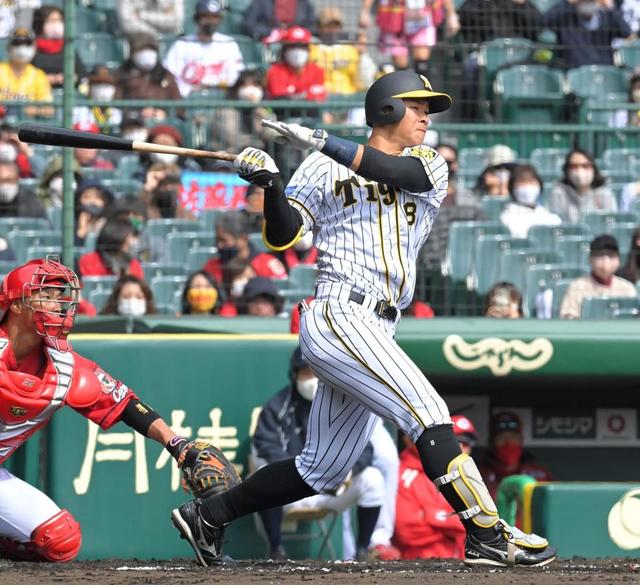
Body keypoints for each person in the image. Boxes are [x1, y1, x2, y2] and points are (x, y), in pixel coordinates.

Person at [171, 69, 557, 568]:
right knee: (427, 413)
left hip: (380, 322)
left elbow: (391, 173)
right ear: (388, 109)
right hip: (339, 312)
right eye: (416, 106)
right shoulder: (318, 167)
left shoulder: (428, 164)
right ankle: (485, 533)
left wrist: (324, 140)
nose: (425, 116)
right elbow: (283, 235)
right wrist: (270, 184)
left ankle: (211, 515)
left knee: (321, 469)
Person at [0, 256, 221, 562]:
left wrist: (177, 445)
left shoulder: (65, 366)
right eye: (44, 296)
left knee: (61, 540)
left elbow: (125, 403)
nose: (55, 305)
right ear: (16, 304)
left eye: (58, 298)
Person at [251, 347, 384, 560]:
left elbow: (365, 448)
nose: (311, 378)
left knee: (373, 478)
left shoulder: (342, 404)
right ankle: (276, 550)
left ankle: (362, 551)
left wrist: (348, 471)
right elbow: (266, 445)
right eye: (305, 372)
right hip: (291, 491)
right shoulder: (278, 405)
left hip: (332, 489)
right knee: (265, 473)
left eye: (317, 372)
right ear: (295, 374)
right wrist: (298, 474)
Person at [393, 415, 477, 560]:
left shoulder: (468, 479)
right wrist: (453, 527)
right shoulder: (404, 474)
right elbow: (406, 531)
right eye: (457, 442)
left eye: (467, 443)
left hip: (459, 564)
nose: (462, 448)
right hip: (418, 566)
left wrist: (430, 516)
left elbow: (477, 524)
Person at [163, 0, 245, 97]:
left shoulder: (229, 44)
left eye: (214, 17)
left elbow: (234, 77)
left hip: (221, 99)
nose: (210, 21)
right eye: (206, 16)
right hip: (188, 99)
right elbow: (170, 76)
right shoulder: (182, 44)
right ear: (197, 19)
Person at [361, 0, 461, 76]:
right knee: (401, 64)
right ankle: (404, 97)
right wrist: (364, 11)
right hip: (394, 18)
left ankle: (423, 97)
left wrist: (451, 15)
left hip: (422, 18)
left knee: (422, 61)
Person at [559, 234, 637, 319]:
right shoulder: (577, 287)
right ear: (590, 258)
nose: (605, 260)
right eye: (600, 255)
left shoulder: (627, 288)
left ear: (618, 259)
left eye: (611, 255)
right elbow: (568, 318)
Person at [479, 411, 552, 499]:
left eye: (513, 438)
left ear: (521, 440)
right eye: (502, 438)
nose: (508, 443)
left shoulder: (540, 475)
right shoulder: (478, 475)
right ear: (492, 443)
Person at [543, 0, 632, 69]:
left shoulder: (606, 15)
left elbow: (625, 32)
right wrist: (568, 2)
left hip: (604, 69)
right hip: (574, 70)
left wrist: (609, 6)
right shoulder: (566, 16)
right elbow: (543, 22)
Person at [202, 211, 287, 283]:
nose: (219, 245)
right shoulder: (211, 266)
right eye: (218, 240)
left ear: (243, 238)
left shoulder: (268, 265)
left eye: (224, 240)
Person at [310, 7, 376, 97]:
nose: (332, 30)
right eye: (328, 26)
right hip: (319, 99)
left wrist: (363, 55)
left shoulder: (351, 50)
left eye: (336, 26)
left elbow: (365, 82)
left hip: (347, 98)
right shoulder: (310, 49)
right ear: (319, 27)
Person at [116, 34, 182, 122]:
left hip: (162, 125)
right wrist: (137, 114)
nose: (147, 54)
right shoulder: (123, 75)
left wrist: (166, 114)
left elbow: (180, 108)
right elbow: (115, 106)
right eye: (142, 50)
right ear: (133, 53)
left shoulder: (166, 76)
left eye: (151, 50)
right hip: (133, 125)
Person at [209, 69, 277, 154]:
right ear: (236, 89)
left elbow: (271, 136)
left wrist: (258, 112)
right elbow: (232, 139)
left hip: (257, 158)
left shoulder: (262, 111)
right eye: (245, 86)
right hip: (228, 157)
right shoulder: (225, 111)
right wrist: (258, 143)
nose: (251, 90)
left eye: (255, 85)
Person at [547, 149, 617, 223]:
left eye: (585, 166)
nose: (579, 170)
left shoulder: (605, 194)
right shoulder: (559, 194)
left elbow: (610, 224)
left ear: (594, 169)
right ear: (567, 170)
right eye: (573, 166)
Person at [0, 28, 54, 119]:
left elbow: (49, 110)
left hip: (27, 125)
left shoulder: (39, 75)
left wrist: (28, 110)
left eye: (27, 43)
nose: (22, 47)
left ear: (34, 47)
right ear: (9, 46)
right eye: (17, 43)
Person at [499, 164, 561, 239]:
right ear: (512, 188)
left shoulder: (551, 218)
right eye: (522, 182)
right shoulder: (506, 218)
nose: (527, 186)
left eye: (531, 181)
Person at [31, 4, 86, 89]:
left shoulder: (68, 47)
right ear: (40, 24)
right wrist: (46, 79)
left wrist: (70, 78)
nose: (56, 25)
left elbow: (82, 74)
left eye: (59, 20)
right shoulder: (32, 48)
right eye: (51, 21)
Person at [265, 26, 326, 102]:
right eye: (292, 46)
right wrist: (304, 95)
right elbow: (280, 97)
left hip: (310, 113)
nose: (297, 51)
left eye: (301, 46)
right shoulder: (275, 71)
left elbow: (319, 96)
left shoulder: (317, 71)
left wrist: (299, 96)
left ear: (308, 49)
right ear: (284, 49)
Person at [78, 218, 145, 280]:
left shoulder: (134, 265)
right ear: (118, 236)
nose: (133, 242)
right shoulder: (90, 262)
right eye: (131, 236)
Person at [73, 68, 122, 133]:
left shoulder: (118, 114)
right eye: (98, 85)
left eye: (107, 85)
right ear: (90, 88)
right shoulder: (79, 112)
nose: (103, 90)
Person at [242, 0, 315, 42]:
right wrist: (271, 32)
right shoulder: (261, 2)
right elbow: (248, 24)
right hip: (270, 42)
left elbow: (311, 27)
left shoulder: (304, 3)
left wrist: (296, 32)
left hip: (297, 42)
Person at [74, 180, 113, 248]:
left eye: (98, 197)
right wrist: (82, 230)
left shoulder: (111, 223)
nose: (93, 201)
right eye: (87, 197)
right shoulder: (71, 223)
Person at [117, 0, 184, 37]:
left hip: (171, 44)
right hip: (139, 44)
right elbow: (128, 25)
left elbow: (176, 21)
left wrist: (141, 15)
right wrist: (155, 34)